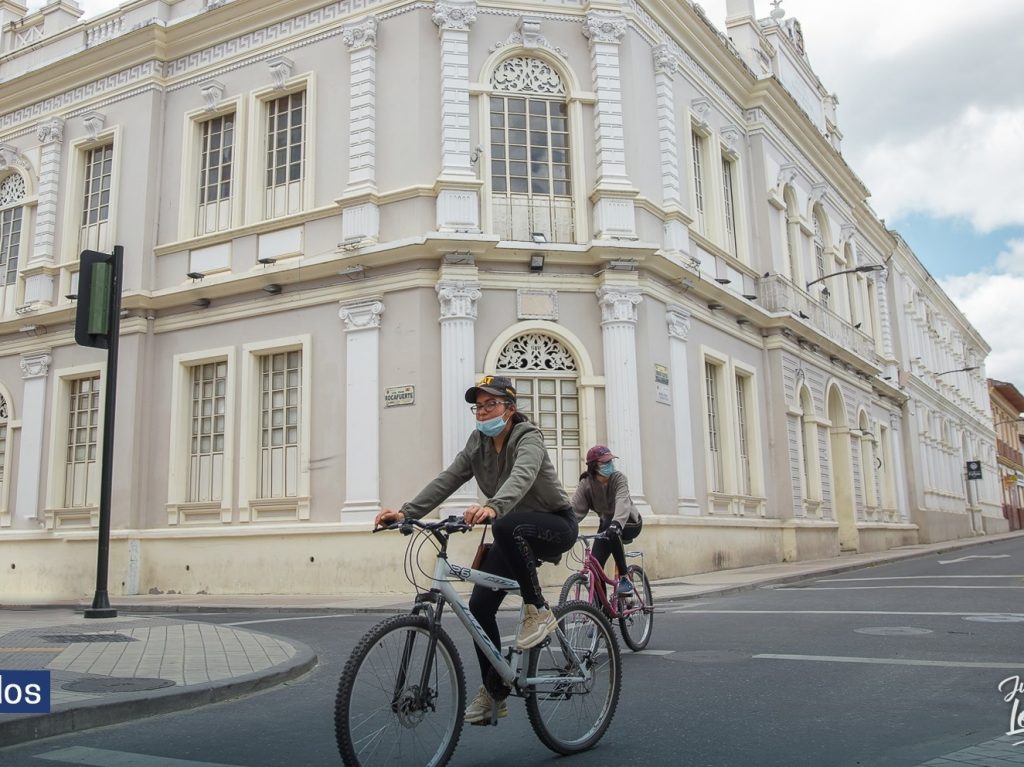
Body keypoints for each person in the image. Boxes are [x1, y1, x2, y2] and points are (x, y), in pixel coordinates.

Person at [374, 374, 578, 726]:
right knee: (480, 607)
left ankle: (538, 611)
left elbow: (524, 475)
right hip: (512, 532)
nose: (483, 413)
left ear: (510, 409)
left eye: (491, 405)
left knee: (503, 525)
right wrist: (407, 512)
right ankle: (495, 691)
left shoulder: (527, 436)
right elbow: (448, 478)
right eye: (478, 407)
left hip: (553, 525)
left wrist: (495, 506)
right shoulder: (477, 445)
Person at [571, 445, 643, 596]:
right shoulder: (586, 484)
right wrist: (564, 527)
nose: (610, 465)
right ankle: (602, 613)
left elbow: (622, 502)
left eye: (611, 461)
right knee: (595, 567)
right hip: (607, 526)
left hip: (629, 522)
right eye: (605, 463)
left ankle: (624, 578)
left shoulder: (619, 478)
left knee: (610, 523)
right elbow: (575, 511)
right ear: (594, 466)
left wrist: (616, 524)